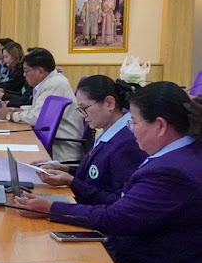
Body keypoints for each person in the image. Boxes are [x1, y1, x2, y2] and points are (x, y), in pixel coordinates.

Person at [15, 82, 202, 263]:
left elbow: (117, 217)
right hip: (133, 254)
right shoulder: (180, 154)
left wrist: (51, 208)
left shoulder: (172, 170)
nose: (131, 129)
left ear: (160, 126)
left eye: (134, 122)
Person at [35, 76, 145, 205]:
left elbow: (118, 201)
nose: (82, 116)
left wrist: (71, 182)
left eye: (85, 108)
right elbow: (96, 176)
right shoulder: (108, 131)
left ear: (109, 103)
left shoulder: (126, 143)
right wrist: (64, 169)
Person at [0, 47, 83, 162]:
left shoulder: (54, 85)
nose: (24, 75)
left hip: (60, 150)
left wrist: (8, 115)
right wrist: (14, 110)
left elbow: (36, 118)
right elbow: (40, 109)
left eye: (26, 71)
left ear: (40, 71)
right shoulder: (50, 82)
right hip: (51, 142)